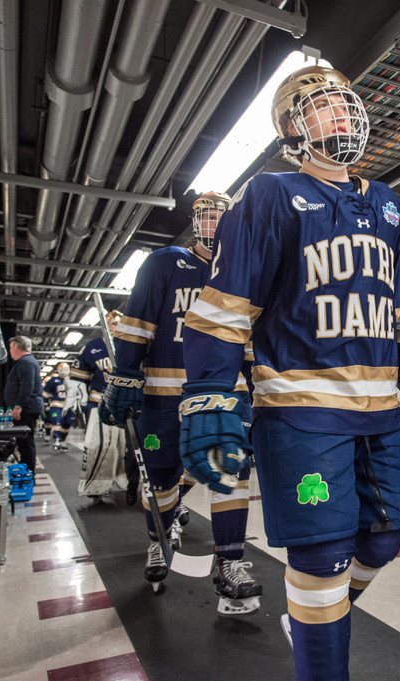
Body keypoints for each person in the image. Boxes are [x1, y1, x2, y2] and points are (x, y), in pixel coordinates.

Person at [179, 65, 400, 681]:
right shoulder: (271, 195)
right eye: (323, 105)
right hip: (302, 416)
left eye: (345, 102)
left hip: (380, 413)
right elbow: (226, 306)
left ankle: (308, 619)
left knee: (384, 541)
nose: (341, 113)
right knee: (323, 557)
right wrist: (209, 391)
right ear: (291, 128)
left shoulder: (386, 203)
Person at [102, 191, 261, 615]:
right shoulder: (164, 263)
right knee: (162, 479)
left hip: (227, 394)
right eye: (205, 213)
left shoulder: (244, 268)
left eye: (221, 213)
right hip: (164, 394)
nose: (213, 220)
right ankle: (159, 539)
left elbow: (254, 338)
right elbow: (137, 324)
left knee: (232, 474)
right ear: (194, 220)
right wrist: (126, 373)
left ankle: (229, 561)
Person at [70, 310, 137, 502]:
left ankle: (127, 482)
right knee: (99, 445)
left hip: (127, 404)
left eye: (118, 323)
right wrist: (80, 397)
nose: (115, 327)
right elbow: (79, 377)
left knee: (128, 447)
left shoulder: (131, 344)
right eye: (112, 323)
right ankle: (96, 485)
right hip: (100, 403)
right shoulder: (93, 346)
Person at [4, 336, 44, 474]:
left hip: (26, 408)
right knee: (25, 442)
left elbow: (27, 386)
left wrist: (18, 406)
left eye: (10, 347)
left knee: (25, 443)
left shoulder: (25, 362)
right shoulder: (28, 362)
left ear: (16, 347)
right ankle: (27, 470)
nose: (10, 351)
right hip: (29, 407)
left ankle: (28, 473)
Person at [42, 362, 73, 449]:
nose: (64, 372)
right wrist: (45, 404)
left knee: (67, 424)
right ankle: (57, 440)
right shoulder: (53, 381)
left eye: (66, 369)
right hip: (56, 405)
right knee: (56, 422)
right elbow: (45, 394)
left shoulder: (72, 380)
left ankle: (63, 439)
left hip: (69, 406)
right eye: (61, 370)